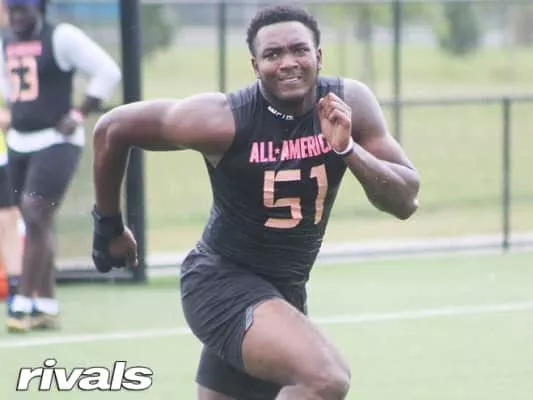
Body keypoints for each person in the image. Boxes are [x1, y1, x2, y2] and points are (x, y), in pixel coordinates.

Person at [91, 5, 420, 399]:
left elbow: (405, 200)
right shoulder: (224, 119)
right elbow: (112, 129)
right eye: (273, 54)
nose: (288, 63)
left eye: (299, 50)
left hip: (282, 292)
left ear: (319, 56)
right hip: (219, 283)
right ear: (255, 65)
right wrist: (108, 226)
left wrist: (348, 148)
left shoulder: (349, 104)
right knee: (325, 378)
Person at [2, 0, 122, 333]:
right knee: (35, 221)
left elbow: (108, 70)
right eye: (12, 10)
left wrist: (79, 113)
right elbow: (8, 87)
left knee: (35, 211)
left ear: (40, 7)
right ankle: (47, 304)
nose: (17, 17)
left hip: (56, 141)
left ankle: (24, 302)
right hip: (19, 142)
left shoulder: (61, 36)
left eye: (24, 10)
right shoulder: (6, 40)